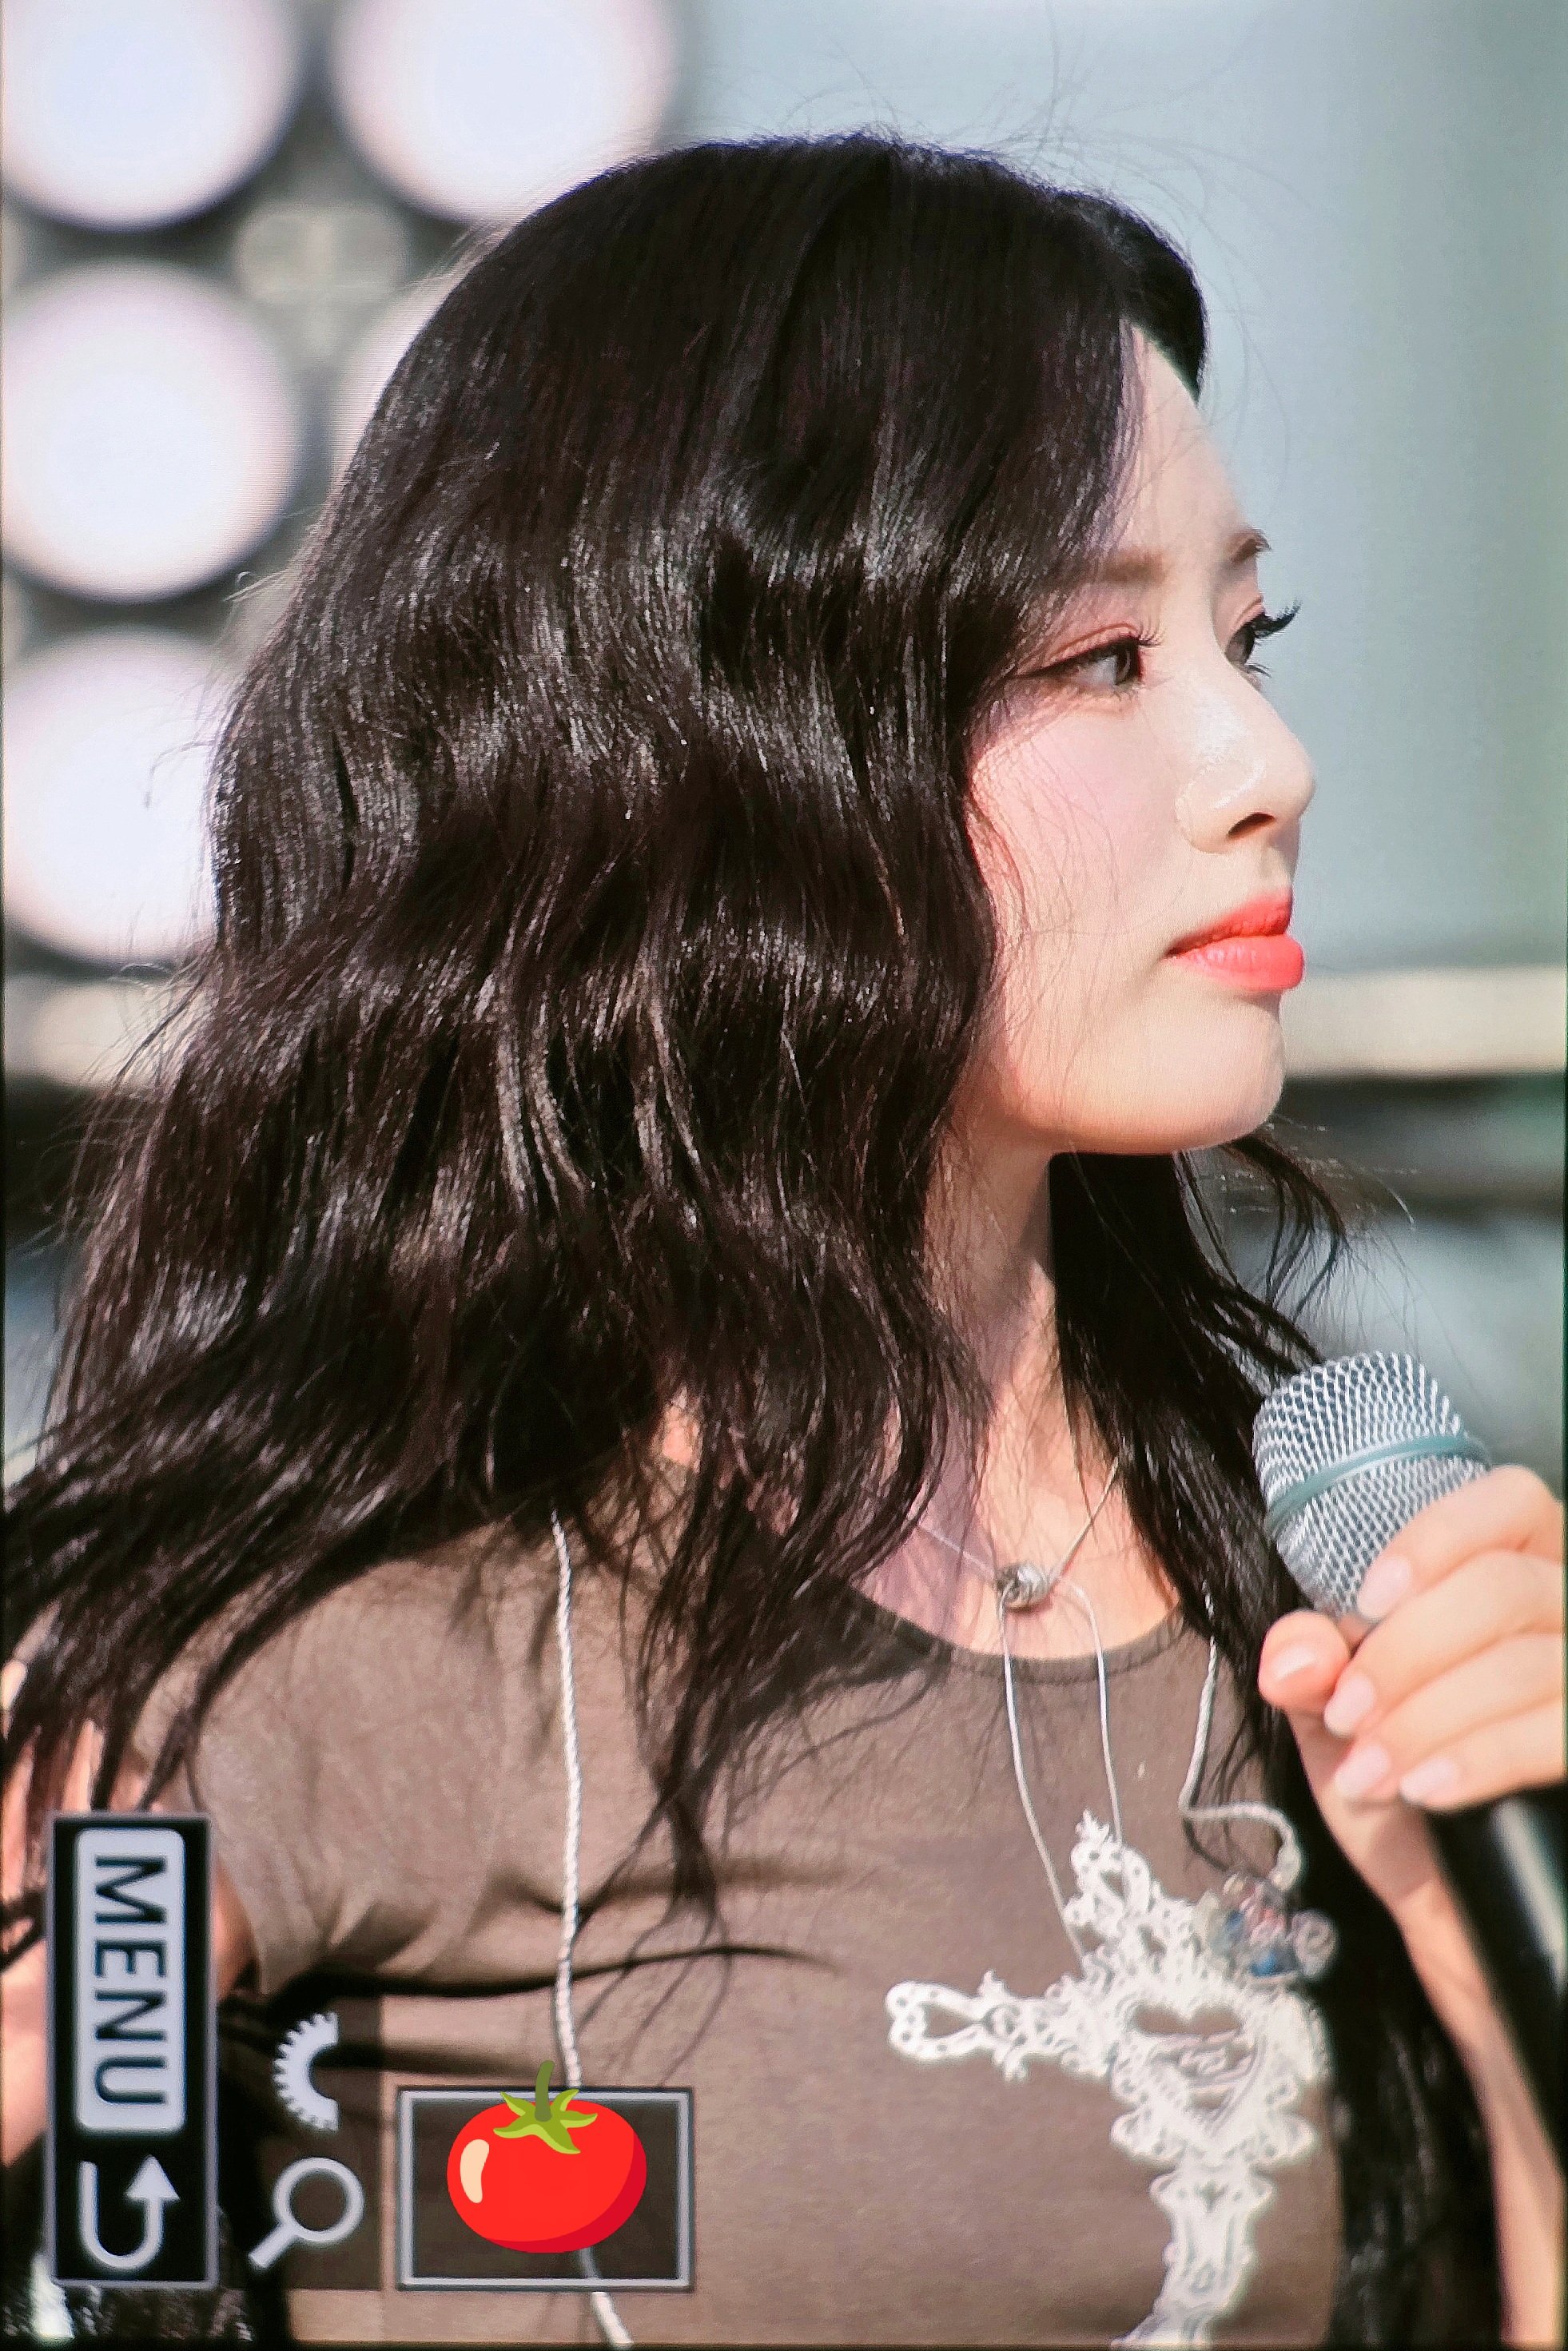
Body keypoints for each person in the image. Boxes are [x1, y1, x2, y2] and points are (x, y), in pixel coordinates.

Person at [2, 136, 1562, 2348]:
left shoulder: (1318, 1595)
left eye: (1246, 637)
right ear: (700, 747)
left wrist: (1504, 2009)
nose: (1265, 761)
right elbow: (116, 2236)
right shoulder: (281, 1665)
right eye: (1101, 658)